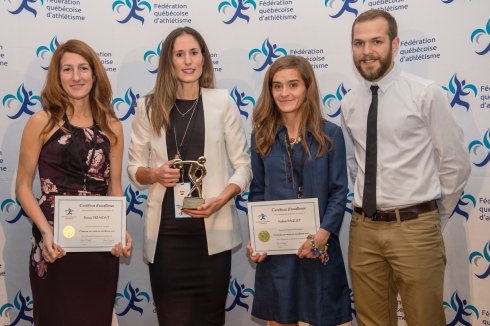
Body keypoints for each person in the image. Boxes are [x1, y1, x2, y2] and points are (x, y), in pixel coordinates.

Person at [340, 9, 471, 326]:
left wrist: (432, 214)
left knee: (425, 319)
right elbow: (355, 166)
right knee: (371, 321)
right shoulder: (349, 102)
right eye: (359, 43)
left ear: (395, 44)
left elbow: (455, 162)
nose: (367, 51)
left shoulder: (425, 93)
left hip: (415, 227)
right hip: (363, 230)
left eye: (376, 41)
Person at [127, 26, 251, 326]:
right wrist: (154, 174)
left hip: (213, 235)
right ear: (168, 62)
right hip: (167, 238)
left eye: (194, 52)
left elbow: (244, 167)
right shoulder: (148, 105)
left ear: (204, 58)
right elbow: (133, 170)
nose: (188, 61)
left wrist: (222, 198)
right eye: (179, 54)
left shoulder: (223, 103)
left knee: (210, 319)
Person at [15, 39, 132, 325]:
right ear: (57, 76)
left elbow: (114, 187)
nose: (76, 77)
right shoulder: (40, 122)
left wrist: (121, 230)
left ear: (94, 73)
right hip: (55, 245)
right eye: (67, 69)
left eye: (83, 68)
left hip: (99, 246)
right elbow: (21, 186)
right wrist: (45, 232)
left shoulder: (112, 126)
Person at [247, 55, 352, 326]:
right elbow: (257, 192)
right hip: (277, 253)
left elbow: (339, 192)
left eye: (293, 85)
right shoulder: (261, 137)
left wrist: (321, 236)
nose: (284, 93)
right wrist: (258, 238)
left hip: (319, 246)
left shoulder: (330, 135)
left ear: (307, 87)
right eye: (277, 86)